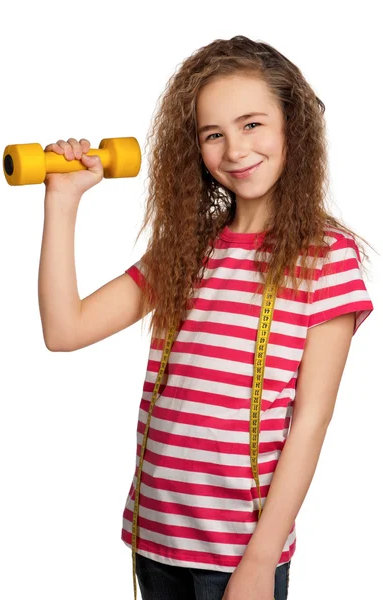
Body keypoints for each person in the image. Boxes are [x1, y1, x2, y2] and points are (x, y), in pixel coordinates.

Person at [38, 35, 374, 600]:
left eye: (251, 124)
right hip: (156, 537)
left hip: (240, 553)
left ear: (294, 125)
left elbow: (311, 422)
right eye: (212, 134)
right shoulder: (186, 251)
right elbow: (64, 330)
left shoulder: (325, 257)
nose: (234, 149)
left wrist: (261, 560)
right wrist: (63, 201)